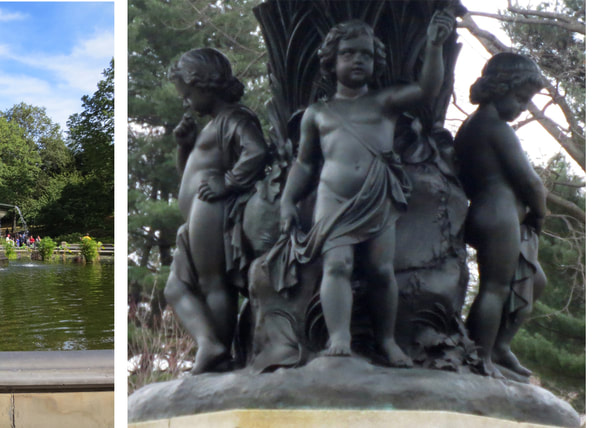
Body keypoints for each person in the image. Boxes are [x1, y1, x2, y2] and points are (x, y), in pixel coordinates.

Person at [278, 13, 453, 367]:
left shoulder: (384, 101)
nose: (358, 60)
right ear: (331, 60)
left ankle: (387, 341)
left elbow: (426, 89)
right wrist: (287, 200)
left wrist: (435, 45)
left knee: (380, 269)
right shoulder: (317, 113)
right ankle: (339, 335)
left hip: (378, 195)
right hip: (334, 197)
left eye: (366, 55)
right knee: (338, 264)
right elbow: (305, 164)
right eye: (348, 53)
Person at [164, 47, 269, 373]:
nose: (186, 102)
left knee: (214, 283)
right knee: (174, 287)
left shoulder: (235, 118)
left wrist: (228, 182)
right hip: (200, 209)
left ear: (206, 85)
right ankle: (211, 344)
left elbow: (257, 151)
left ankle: (218, 353)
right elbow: (188, 177)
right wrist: (184, 147)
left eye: (188, 94)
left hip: (214, 206)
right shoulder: (212, 126)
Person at [454, 53, 547, 379]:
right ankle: (480, 357)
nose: (523, 107)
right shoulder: (493, 127)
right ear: (499, 88)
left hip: (486, 211)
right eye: (521, 98)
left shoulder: (470, 127)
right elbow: (530, 181)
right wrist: (540, 212)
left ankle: (499, 346)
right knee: (495, 288)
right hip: (498, 212)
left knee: (534, 280)